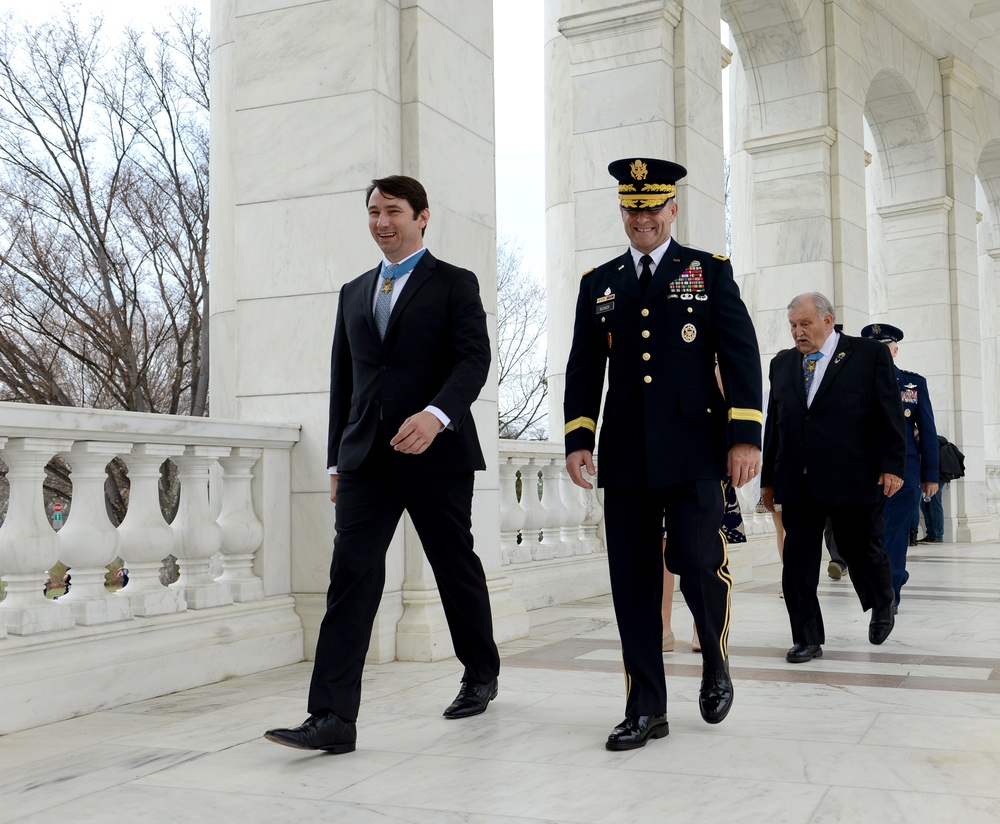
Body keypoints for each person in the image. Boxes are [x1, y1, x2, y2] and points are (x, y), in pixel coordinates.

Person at [265, 175, 500, 754]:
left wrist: (436, 415)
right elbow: (343, 382)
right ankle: (332, 717)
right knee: (350, 578)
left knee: (454, 567)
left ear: (422, 217)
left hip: (436, 455)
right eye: (373, 212)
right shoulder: (352, 291)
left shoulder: (454, 284)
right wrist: (336, 463)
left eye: (392, 211)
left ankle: (480, 672)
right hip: (366, 458)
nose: (381, 222)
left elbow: (474, 361)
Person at [565, 157, 762, 750]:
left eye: (651, 207)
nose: (641, 218)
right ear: (622, 211)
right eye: (632, 208)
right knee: (631, 581)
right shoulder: (597, 283)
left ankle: (715, 659)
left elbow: (740, 354)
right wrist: (579, 437)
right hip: (625, 456)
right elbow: (583, 367)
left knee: (699, 560)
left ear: (672, 208)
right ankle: (646, 706)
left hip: (695, 448)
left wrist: (745, 435)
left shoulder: (707, 271)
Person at [761, 293, 906, 664]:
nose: (798, 332)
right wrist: (768, 480)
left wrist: (893, 465)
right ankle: (806, 638)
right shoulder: (782, 364)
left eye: (805, 324)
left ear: (828, 320)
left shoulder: (868, 355)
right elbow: (775, 426)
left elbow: (889, 413)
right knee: (797, 563)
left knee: (861, 550)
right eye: (793, 325)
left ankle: (882, 600)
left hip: (854, 476)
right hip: (798, 481)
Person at [860, 323, 939, 608]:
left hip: (905, 475)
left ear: (895, 350)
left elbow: (928, 431)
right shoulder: (853, 383)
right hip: (864, 474)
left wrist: (931, 475)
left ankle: (889, 593)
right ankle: (876, 587)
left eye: (885, 346)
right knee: (868, 537)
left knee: (894, 536)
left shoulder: (913, 384)